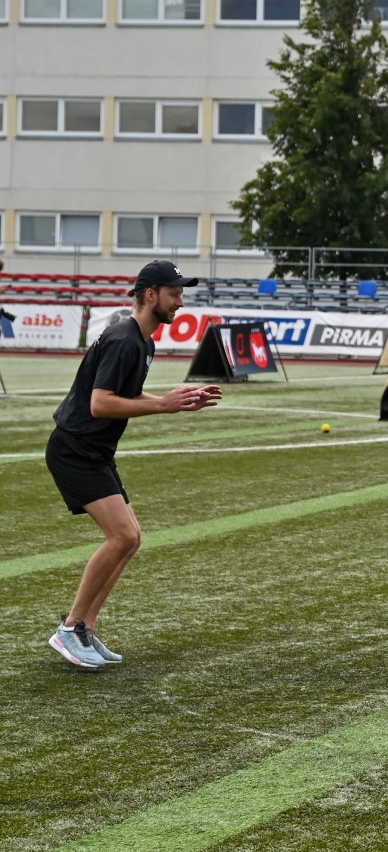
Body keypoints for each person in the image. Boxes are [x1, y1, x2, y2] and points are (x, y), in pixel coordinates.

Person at [44, 261, 222, 669]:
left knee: (131, 537)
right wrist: (163, 406)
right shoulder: (125, 339)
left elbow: (128, 396)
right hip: (75, 450)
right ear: (150, 294)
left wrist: (176, 402)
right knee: (122, 536)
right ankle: (70, 628)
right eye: (174, 294)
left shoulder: (142, 341)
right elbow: (100, 403)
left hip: (94, 451)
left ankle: (85, 628)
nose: (180, 302)